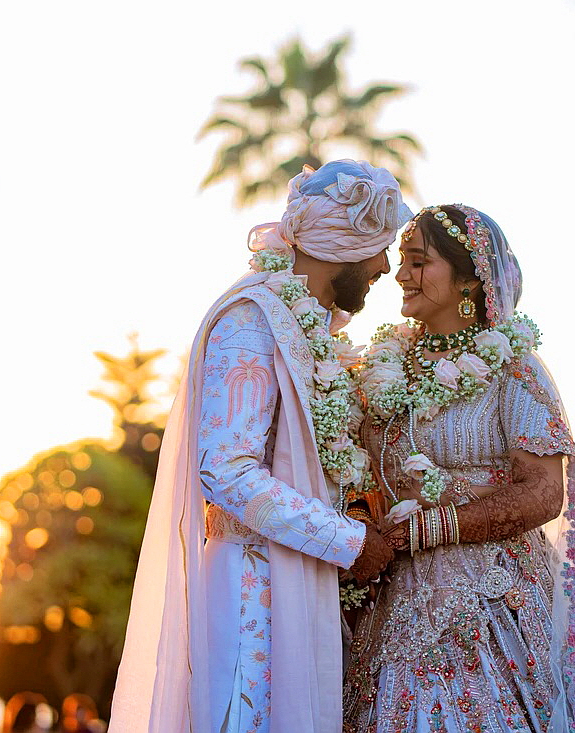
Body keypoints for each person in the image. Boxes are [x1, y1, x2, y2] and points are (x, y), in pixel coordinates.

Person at [110, 160, 412, 733]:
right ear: (341, 246)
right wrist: (349, 541)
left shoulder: (309, 328)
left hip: (302, 575)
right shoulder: (251, 319)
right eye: (378, 250)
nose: (384, 267)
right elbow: (225, 469)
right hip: (253, 589)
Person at [342, 204, 575, 731]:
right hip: (393, 593)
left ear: (468, 280)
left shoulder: (513, 368)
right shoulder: (380, 366)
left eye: (418, 262)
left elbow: (544, 492)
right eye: (402, 261)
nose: (401, 275)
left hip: (494, 598)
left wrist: (436, 527)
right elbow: (359, 471)